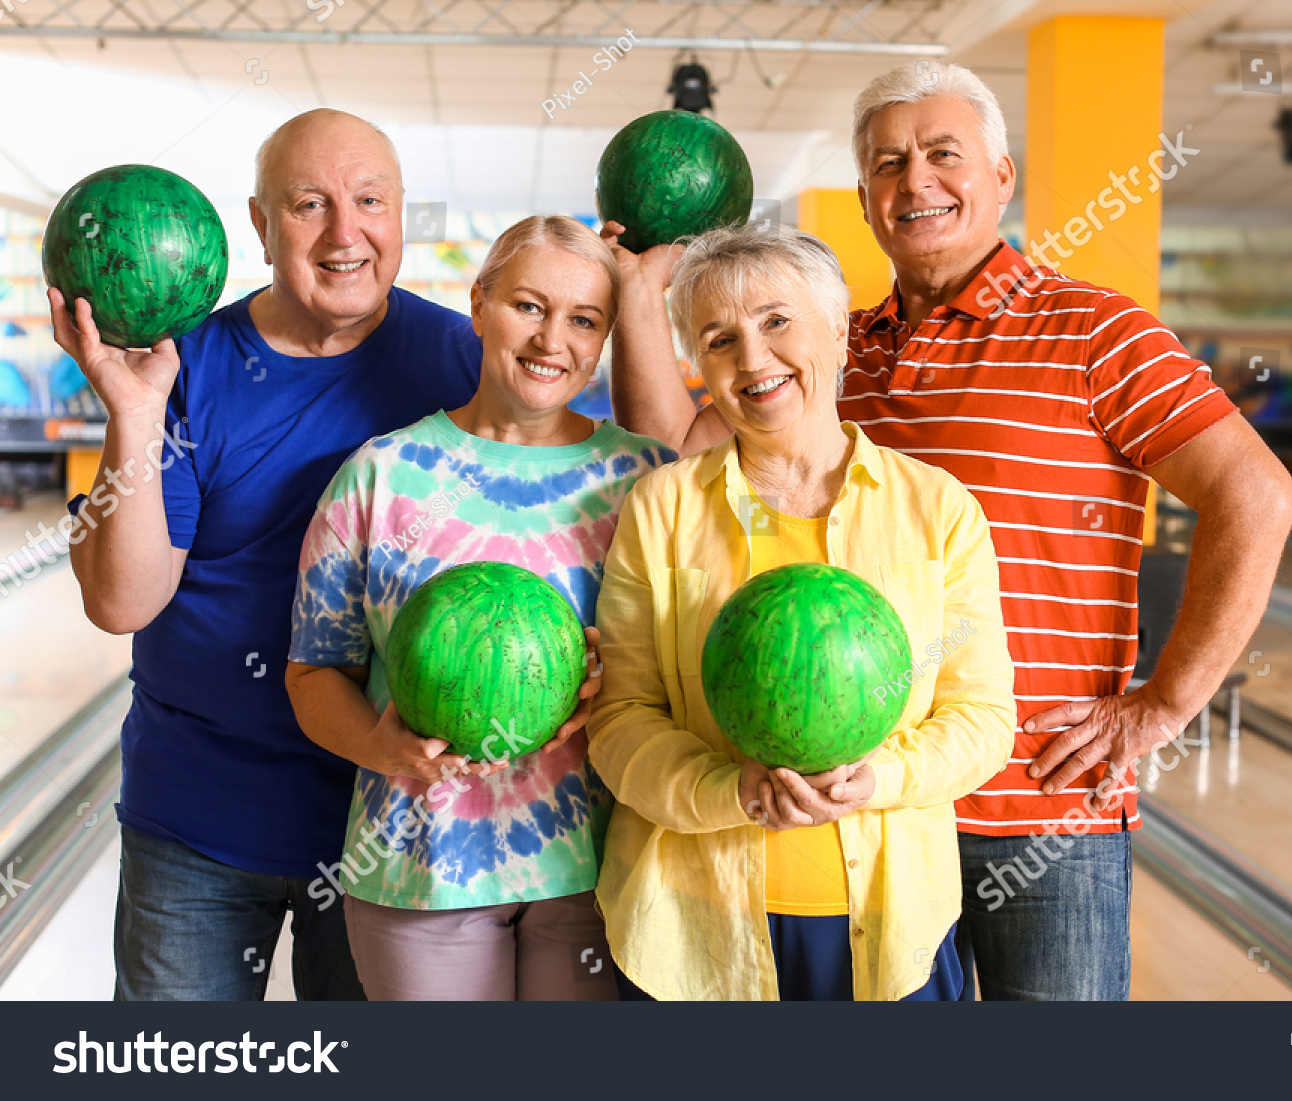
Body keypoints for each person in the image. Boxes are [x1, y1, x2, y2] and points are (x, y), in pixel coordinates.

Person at [604, 62, 1292, 1000]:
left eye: (943, 154)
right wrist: (643, 291)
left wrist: (1164, 702)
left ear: (1002, 175)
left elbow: (1257, 496)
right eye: (889, 163)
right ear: (864, 199)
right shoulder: (828, 343)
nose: (915, 181)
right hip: (860, 814)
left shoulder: (1095, 330)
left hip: (1040, 796)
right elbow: (676, 458)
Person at [50, 109, 483, 1000]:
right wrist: (133, 411)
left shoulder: (463, 362)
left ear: (403, 214)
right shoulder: (186, 366)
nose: (345, 233)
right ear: (258, 223)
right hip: (197, 823)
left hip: (390, 823)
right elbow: (122, 602)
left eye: (370, 201)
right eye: (308, 204)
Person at [588, 225, 1015, 1001]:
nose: (753, 359)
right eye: (719, 339)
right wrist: (732, 790)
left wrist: (877, 777)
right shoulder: (662, 507)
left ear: (840, 329)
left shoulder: (938, 509)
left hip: (891, 929)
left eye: (777, 321)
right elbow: (620, 723)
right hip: (691, 926)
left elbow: (982, 716)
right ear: (700, 367)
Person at [284, 216, 672, 1001]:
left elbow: (683, 665)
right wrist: (382, 745)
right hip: (420, 867)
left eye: (584, 319)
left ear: (603, 339)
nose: (551, 339)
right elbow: (312, 669)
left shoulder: (649, 478)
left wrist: (619, 677)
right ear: (479, 304)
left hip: (601, 867)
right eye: (528, 306)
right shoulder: (381, 474)